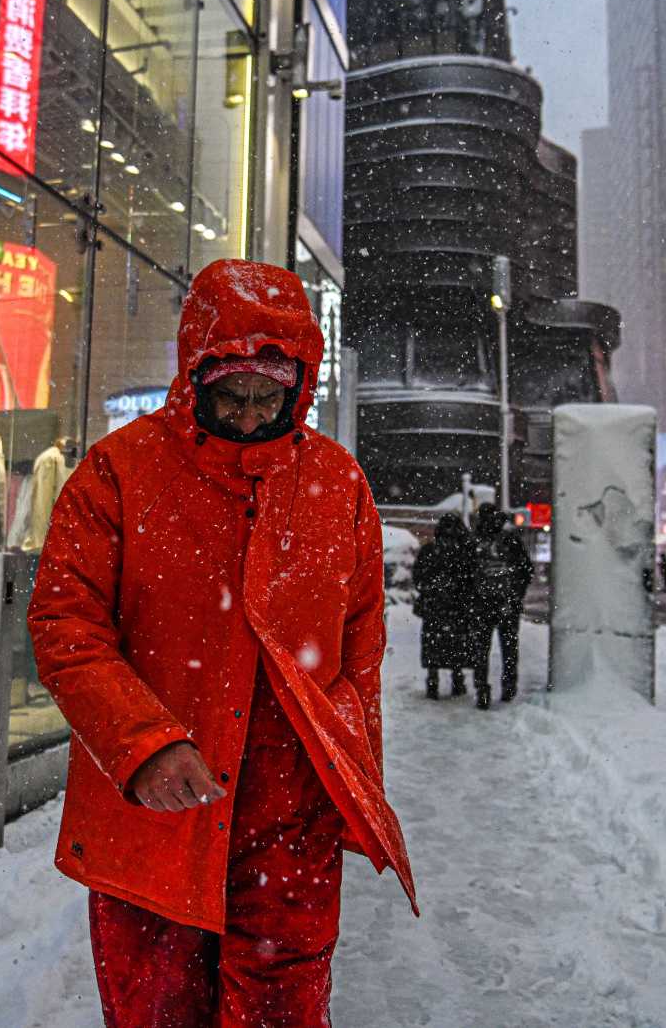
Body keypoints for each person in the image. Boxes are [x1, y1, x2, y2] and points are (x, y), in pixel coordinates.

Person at [28, 259, 417, 1028]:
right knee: (157, 1010)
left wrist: (351, 778)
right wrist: (143, 744)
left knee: (285, 1012)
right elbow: (65, 623)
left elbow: (359, 652)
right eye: (229, 395)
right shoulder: (118, 473)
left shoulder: (338, 486)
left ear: (297, 385)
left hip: (289, 823)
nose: (246, 415)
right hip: (155, 816)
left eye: (266, 396)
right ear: (194, 375)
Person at [469, 503, 534, 709]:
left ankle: (482, 689)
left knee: (481, 649)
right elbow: (526, 570)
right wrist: (516, 596)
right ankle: (508, 686)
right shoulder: (510, 540)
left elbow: (464, 573)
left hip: (482, 604)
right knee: (509, 647)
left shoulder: (474, 541)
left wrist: (472, 598)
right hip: (508, 604)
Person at [412, 513, 475, 699]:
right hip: (456, 607)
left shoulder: (430, 551)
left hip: (435, 607)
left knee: (434, 644)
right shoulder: (463, 553)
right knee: (455, 644)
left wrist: (433, 588)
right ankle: (457, 679)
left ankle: (433, 680)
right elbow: (470, 580)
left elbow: (419, 579)